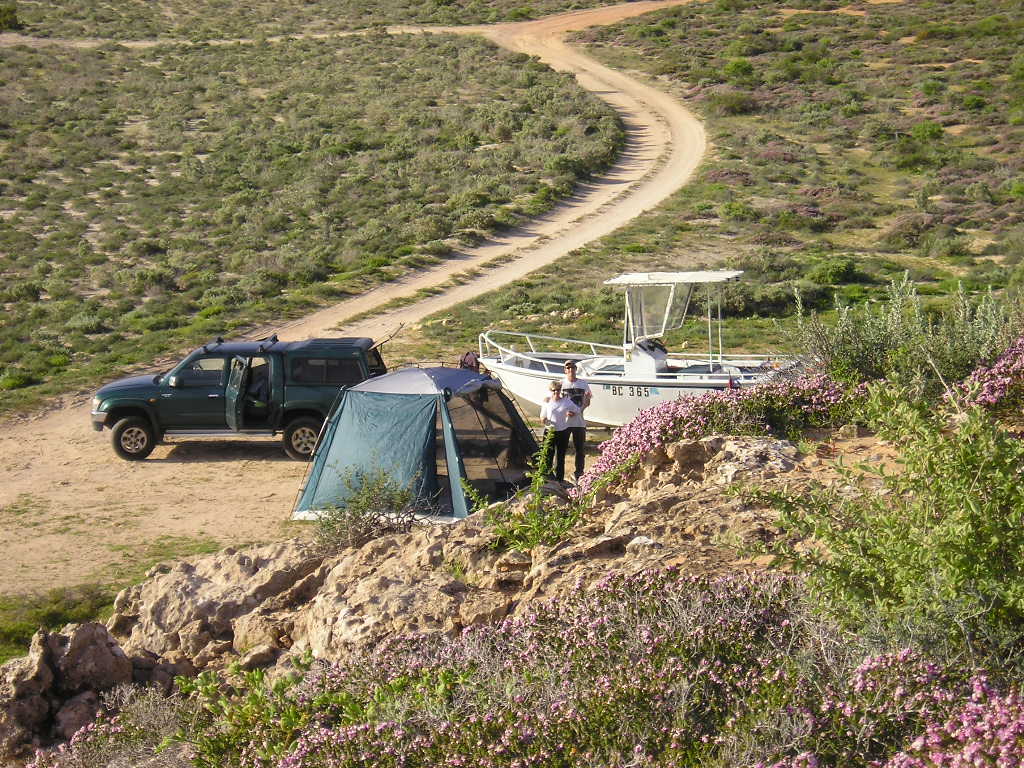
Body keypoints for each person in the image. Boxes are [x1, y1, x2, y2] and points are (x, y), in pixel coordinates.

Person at [539, 380, 577, 483]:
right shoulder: (547, 401)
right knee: (547, 456)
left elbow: (576, 409)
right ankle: (547, 478)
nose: (556, 392)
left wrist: (571, 413)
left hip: (562, 431)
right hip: (550, 431)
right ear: (550, 390)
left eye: (558, 390)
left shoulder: (566, 401)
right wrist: (544, 420)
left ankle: (559, 479)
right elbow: (542, 416)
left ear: (560, 390)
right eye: (554, 390)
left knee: (560, 457)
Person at [560, 360, 592, 482]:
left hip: (579, 422)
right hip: (564, 422)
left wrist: (579, 410)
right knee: (561, 449)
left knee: (580, 449)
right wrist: (565, 412)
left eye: (572, 368)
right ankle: (559, 475)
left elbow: (587, 400)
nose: (570, 370)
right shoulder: (561, 384)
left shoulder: (583, 383)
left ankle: (579, 473)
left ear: (575, 369)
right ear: (565, 370)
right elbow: (556, 401)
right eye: (568, 368)